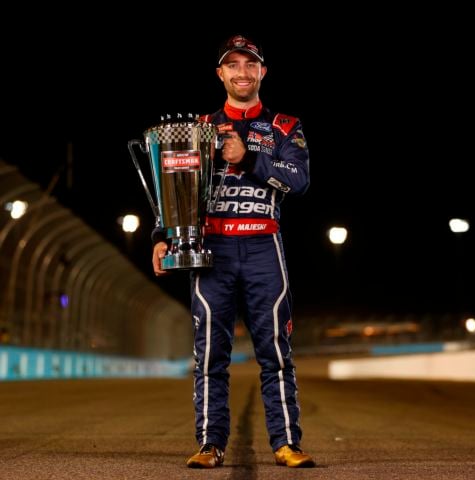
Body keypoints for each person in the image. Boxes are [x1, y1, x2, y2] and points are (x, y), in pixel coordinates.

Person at [152, 34, 314, 469]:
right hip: (213, 250)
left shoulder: (284, 127)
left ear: (262, 71)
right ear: (220, 73)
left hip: (264, 247)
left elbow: (298, 181)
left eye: (250, 65)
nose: (242, 72)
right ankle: (210, 443)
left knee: (276, 353)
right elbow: (174, 189)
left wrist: (248, 160)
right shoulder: (198, 127)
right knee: (209, 355)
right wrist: (162, 236)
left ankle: (286, 443)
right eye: (233, 65)